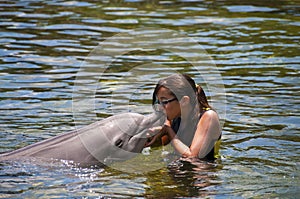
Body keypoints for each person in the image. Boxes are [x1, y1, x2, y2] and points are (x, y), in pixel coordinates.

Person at [145, 74, 222, 161]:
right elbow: (161, 145)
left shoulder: (208, 117)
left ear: (184, 101)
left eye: (164, 102)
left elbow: (192, 157)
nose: (160, 107)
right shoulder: (174, 117)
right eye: (158, 102)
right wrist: (153, 136)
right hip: (178, 169)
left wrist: (168, 131)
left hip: (202, 171)